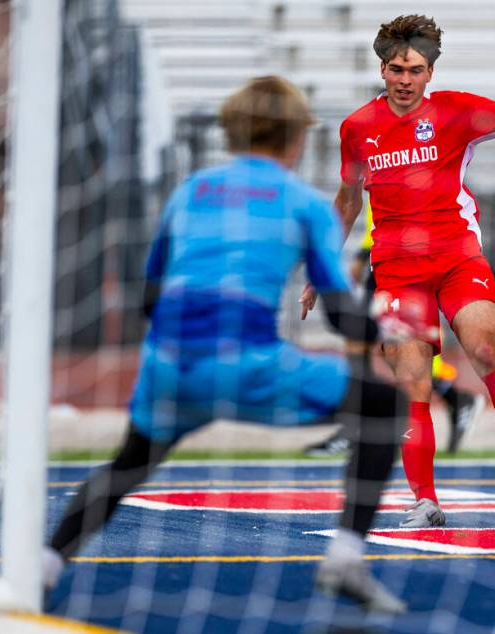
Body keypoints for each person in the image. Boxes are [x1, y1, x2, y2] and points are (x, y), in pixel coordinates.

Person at [42, 76, 417, 613]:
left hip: (170, 364)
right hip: (249, 364)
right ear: (296, 139)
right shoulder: (304, 204)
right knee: (382, 404)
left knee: (126, 466)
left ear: (234, 134)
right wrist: (387, 331)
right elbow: (341, 316)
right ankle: (345, 558)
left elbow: (149, 296)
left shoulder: (190, 191)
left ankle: (44, 569)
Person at [301, 14, 495, 528]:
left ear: (430, 72)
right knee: (413, 381)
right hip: (396, 270)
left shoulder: (457, 111)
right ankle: (424, 500)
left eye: (415, 70)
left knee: (484, 349)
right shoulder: (357, 128)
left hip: (457, 257)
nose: (405, 79)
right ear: (382, 68)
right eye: (397, 69)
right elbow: (348, 202)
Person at [304, 201, 486, 457]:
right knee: (377, 345)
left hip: (394, 254)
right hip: (382, 251)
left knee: (378, 344)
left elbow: (373, 203)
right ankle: (453, 398)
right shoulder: (373, 165)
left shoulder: (390, 165)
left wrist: (357, 259)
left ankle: (357, 427)